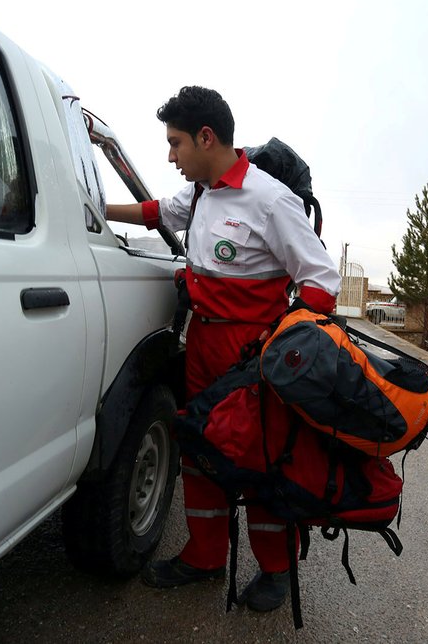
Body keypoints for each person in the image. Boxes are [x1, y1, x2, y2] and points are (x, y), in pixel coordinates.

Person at [106, 86, 341, 612]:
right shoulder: (200, 193)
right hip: (204, 345)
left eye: (175, 144)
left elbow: (322, 280)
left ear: (206, 137)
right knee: (199, 451)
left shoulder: (270, 199)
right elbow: (153, 212)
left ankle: (278, 569)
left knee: (254, 460)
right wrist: (95, 210)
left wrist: (280, 339)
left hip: (252, 358)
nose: (170, 157)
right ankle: (205, 554)